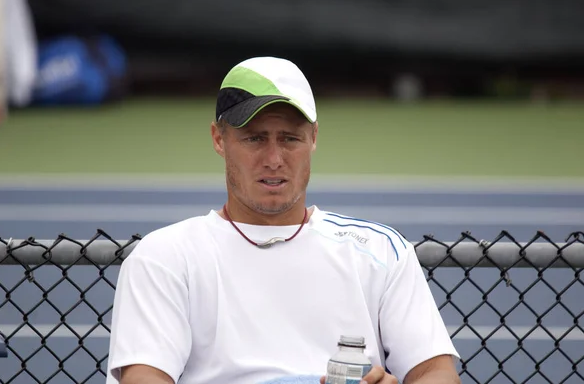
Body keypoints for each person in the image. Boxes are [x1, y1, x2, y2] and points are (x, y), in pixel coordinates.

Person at [106, 56, 461, 384]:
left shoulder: (381, 252)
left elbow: (435, 370)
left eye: (289, 138)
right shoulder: (165, 258)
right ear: (219, 139)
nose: (274, 158)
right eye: (254, 138)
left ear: (313, 139)